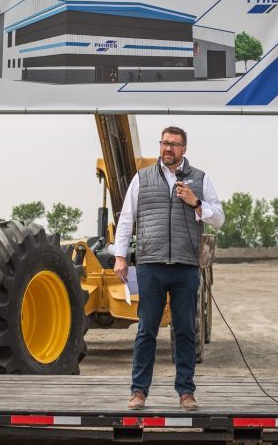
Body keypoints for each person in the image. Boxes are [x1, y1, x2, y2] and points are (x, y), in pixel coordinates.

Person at [112, 126, 224, 411]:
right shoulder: (142, 178)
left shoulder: (200, 179)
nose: (168, 149)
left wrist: (196, 203)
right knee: (146, 330)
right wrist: (121, 257)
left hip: (186, 266)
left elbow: (219, 219)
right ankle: (139, 391)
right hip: (151, 265)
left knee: (186, 330)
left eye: (174, 144)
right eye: (164, 143)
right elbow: (127, 219)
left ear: (184, 148)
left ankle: (186, 392)